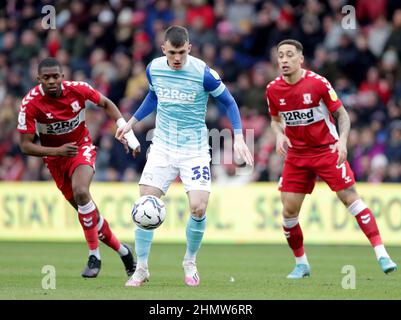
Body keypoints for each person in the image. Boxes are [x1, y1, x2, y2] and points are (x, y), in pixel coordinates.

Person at [116, 25, 254, 287]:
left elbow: (229, 102)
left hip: (195, 149)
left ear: (189, 48)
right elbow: (154, 96)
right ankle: (142, 268)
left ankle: (190, 262)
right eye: (172, 53)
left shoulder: (203, 73)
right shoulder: (154, 68)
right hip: (163, 145)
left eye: (181, 52)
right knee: (146, 202)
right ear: (163, 49)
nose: (177, 58)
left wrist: (238, 136)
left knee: (199, 206)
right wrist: (131, 122)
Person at [265, 39, 397, 279]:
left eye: (289, 55)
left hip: (326, 150)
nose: (284, 60)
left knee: (350, 199)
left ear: (301, 59)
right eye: (280, 55)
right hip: (297, 155)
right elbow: (275, 121)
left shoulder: (318, 84)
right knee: (289, 211)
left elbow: (342, 114)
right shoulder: (273, 89)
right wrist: (278, 135)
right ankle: (301, 264)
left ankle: (382, 253)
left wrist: (342, 140)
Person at [17, 58, 139, 278]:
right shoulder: (30, 103)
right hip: (55, 159)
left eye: (56, 76)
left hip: (81, 148)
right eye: (47, 78)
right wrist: (57, 152)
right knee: (92, 217)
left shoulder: (78, 90)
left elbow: (107, 104)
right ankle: (124, 252)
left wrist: (127, 133)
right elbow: (25, 145)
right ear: (39, 79)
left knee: (82, 192)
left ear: (62, 76)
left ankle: (94, 256)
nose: (52, 81)